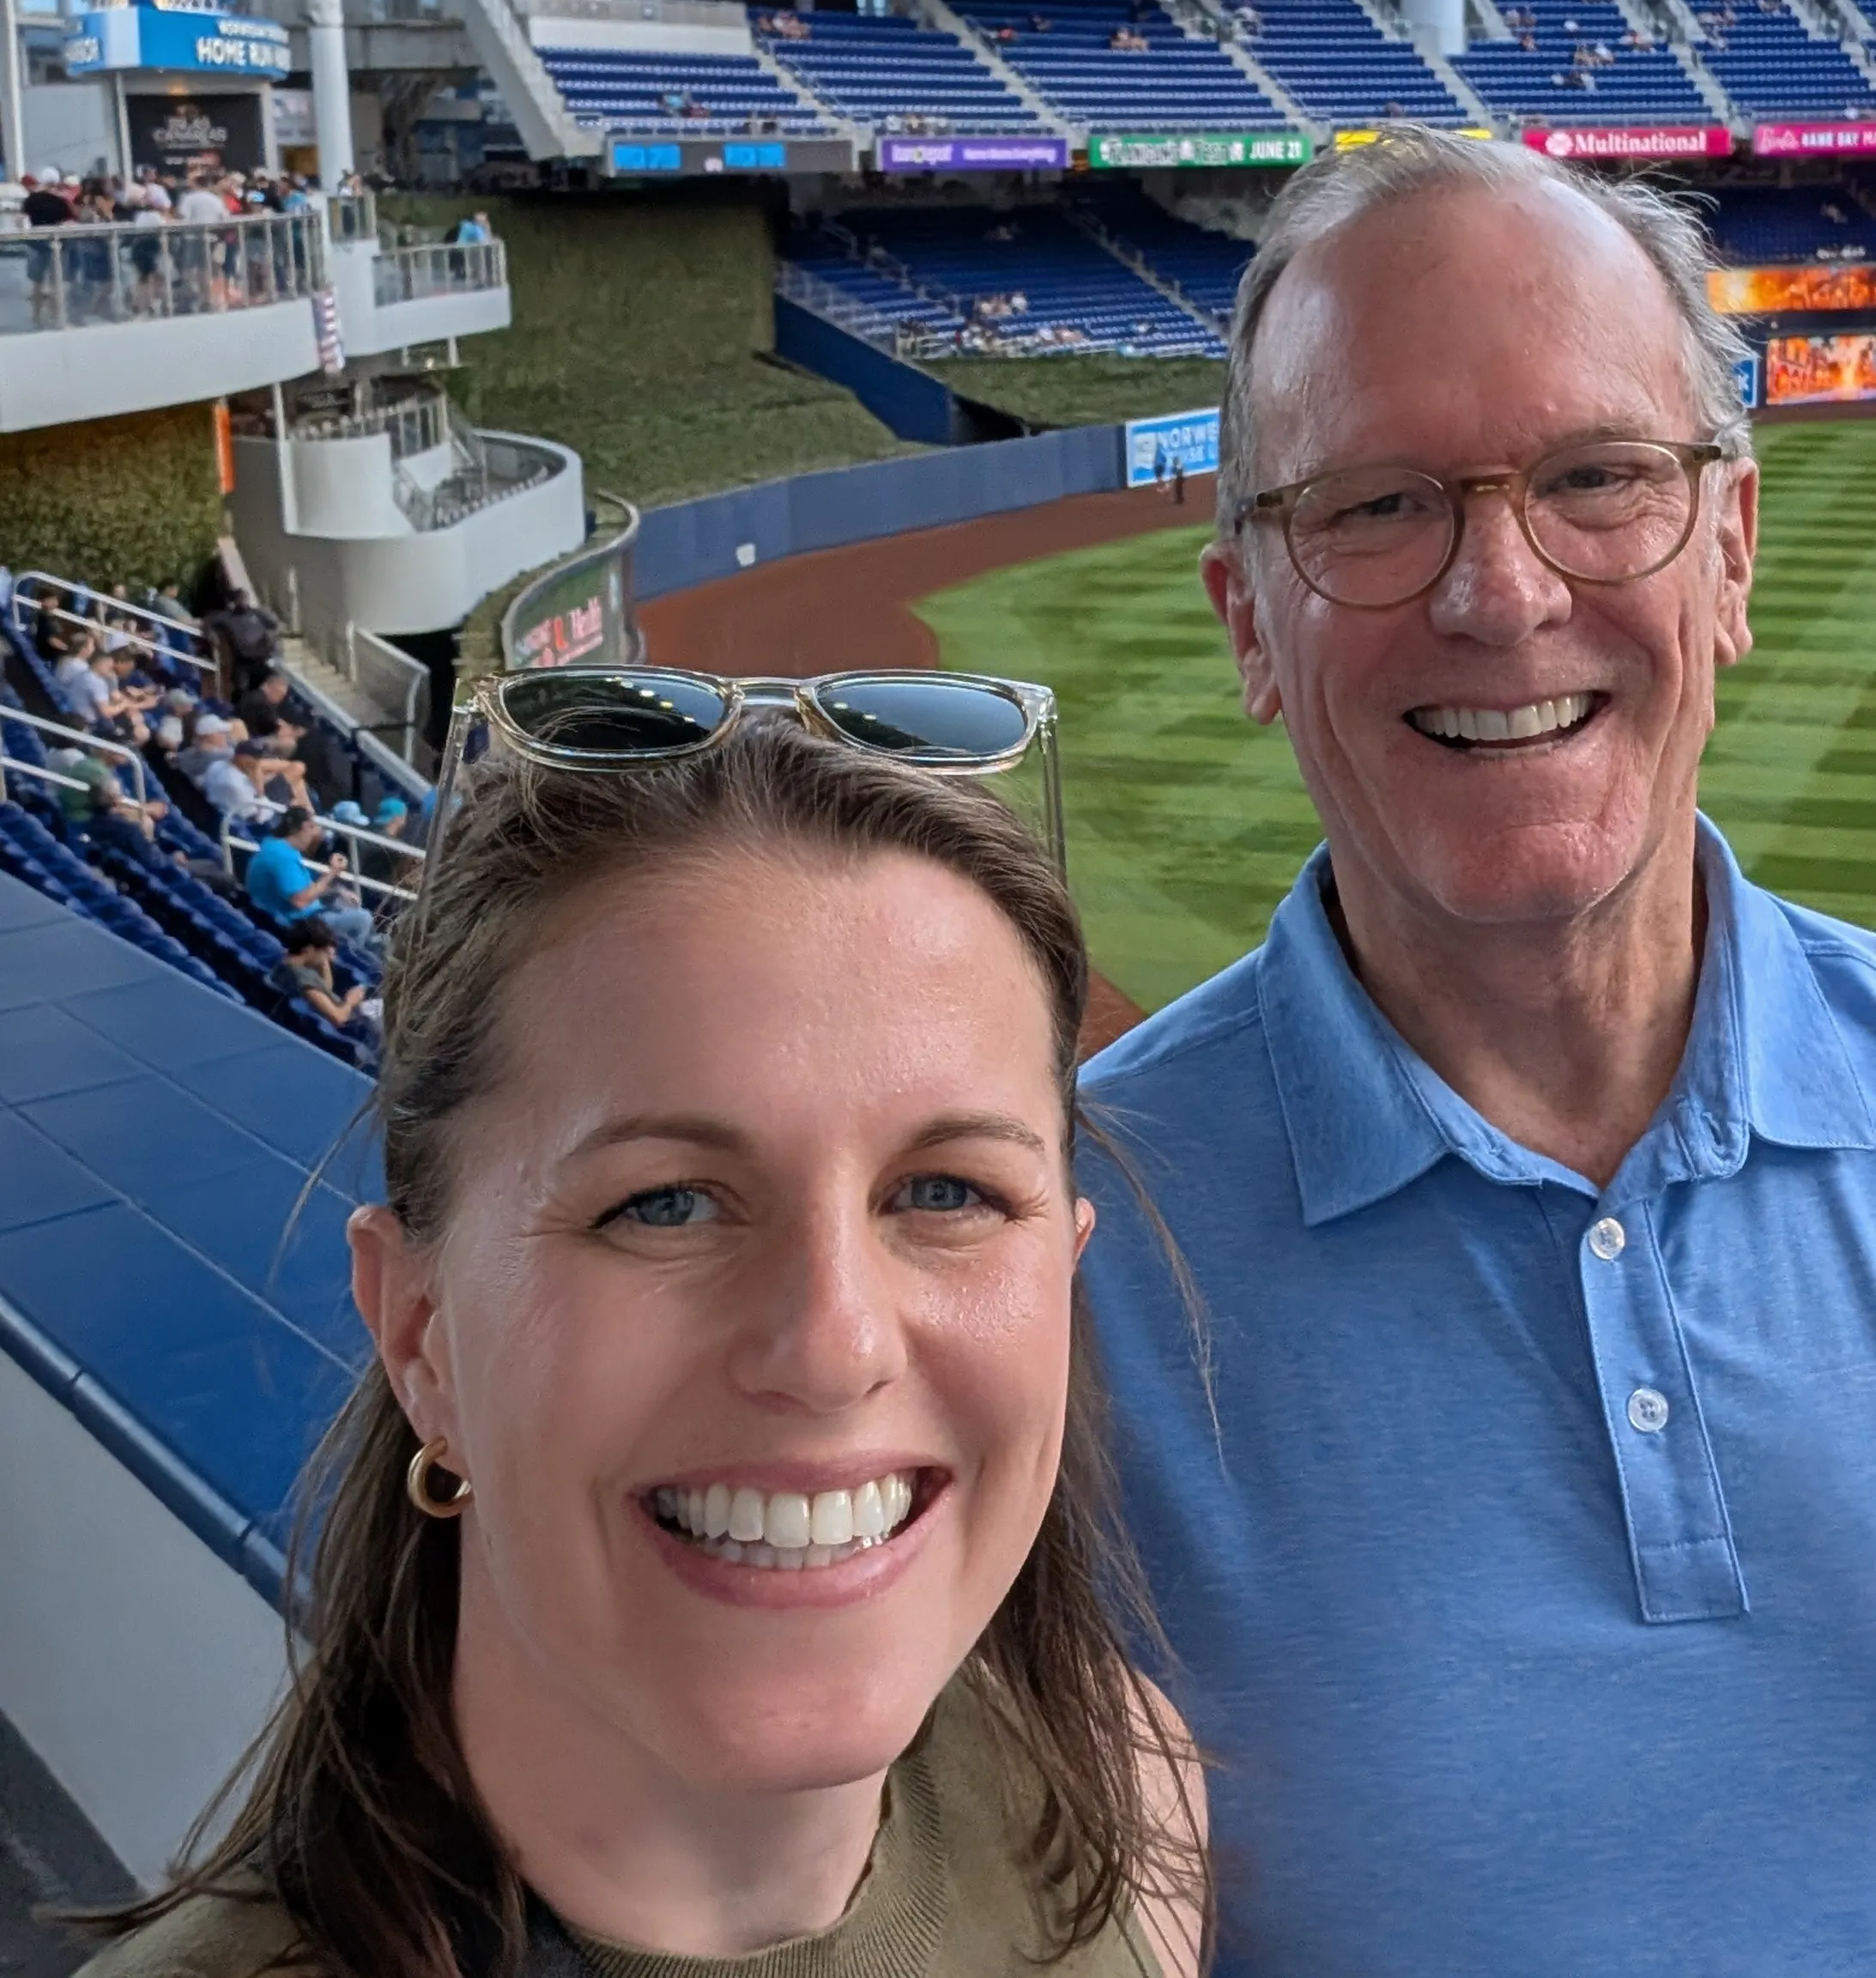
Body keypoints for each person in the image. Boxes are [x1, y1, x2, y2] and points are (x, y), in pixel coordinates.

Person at [1080, 123, 1876, 1975]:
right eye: (1372, 505)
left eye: (1596, 477)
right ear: (1247, 622)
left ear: (1731, 551)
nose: (1499, 593)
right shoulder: (1048, 1256)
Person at [73, 703, 1207, 1978]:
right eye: (661, 1201)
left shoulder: (1135, 1801)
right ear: (420, 1330)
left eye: (945, 1191)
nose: (832, 1343)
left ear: (1063, 1269)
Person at [243, 805, 375, 954]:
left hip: (305, 915)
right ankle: (355, 958)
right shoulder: (283, 858)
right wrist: (333, 872)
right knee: (364, 918)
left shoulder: (276, 846)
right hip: (302, 925)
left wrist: (337, 891)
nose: (313, 835)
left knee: (349, 905)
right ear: (305, 827)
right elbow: (300, 900)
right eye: (312, 828)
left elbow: (305, 890)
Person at [267, 914, 371, 1031]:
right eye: (323, 951)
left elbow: (325, 989)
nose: (326, 956)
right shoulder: (302, 977)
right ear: (309, 949)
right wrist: (350, 1001)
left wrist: (324, 961)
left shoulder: (287, 963)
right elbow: (338, 1018)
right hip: (350, 1024)